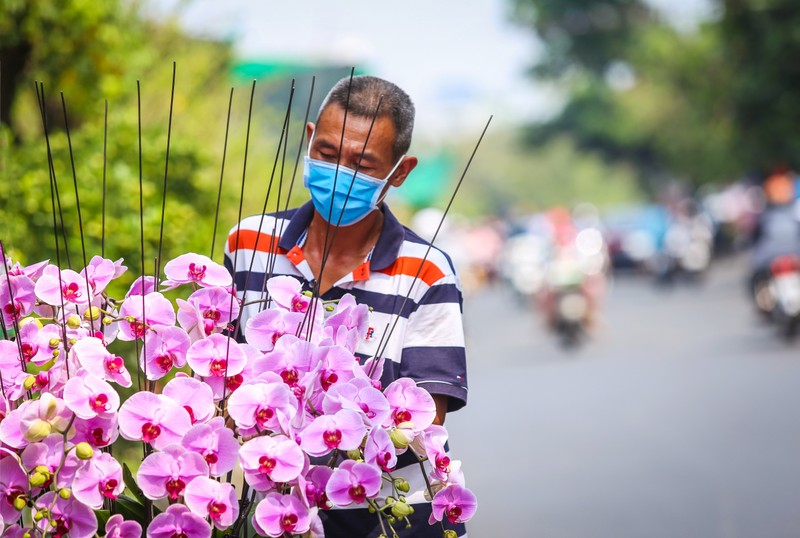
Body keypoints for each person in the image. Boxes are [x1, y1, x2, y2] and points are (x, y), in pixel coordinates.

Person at [224, 75, 468, 537]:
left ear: (400, 172)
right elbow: (221, 377)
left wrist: (316, 420)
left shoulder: (427, 272)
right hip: (280, 512)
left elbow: (422, 419)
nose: (339, 173)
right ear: (310, 138)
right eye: (328, 154)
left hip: (388, 515)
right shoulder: (250, 243)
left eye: (362, 164)